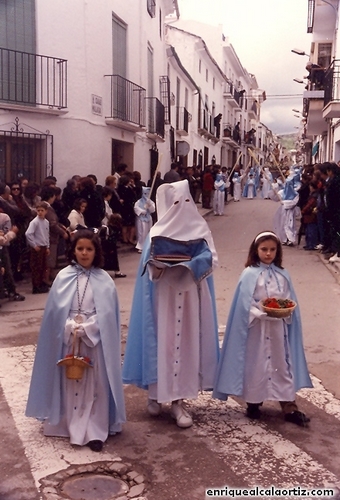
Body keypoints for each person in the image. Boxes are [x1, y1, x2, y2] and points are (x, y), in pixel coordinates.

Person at [122, 180, 219, 428]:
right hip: (162, 299)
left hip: (190, 299)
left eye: (185, 201)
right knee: (162, 344)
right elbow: (148, 269)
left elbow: (212, 260)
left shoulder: (201, 229)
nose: (181, 207)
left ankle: (177, 401)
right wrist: (159, 265)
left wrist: (195, 263)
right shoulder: (156, 232)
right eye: (176, 202)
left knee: (184, 345)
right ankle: (155, 393)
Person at [25, 230, 126, 452]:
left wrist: (89, 328)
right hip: (68, 339)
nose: (84, 253)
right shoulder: (63, 277)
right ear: (73, 250)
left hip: (93, 341)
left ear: (96, 251)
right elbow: (54, 313)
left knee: (94, 385)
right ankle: (69, 423)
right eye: (80, 248)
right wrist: (69, 326)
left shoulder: (105, 280)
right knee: (69, 382)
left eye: (89, 249)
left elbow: (108, 316)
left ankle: (94, 429)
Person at [213, 231, 312, 426]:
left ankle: (289, 405)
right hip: (256, 329)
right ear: (255, 250)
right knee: (256, 364)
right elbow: (243, 303)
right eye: (264, 249)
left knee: (281, 364)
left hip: (277, 329)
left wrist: (284, 310)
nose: (268, 254)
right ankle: (254, 402)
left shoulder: (283, 275)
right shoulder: (249, 274)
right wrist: (258, 312)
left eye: (272, 250)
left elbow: (287, 298)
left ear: (278, 251)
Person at [25, 201, 50, 294]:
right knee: (36, 267)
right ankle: (36, 286)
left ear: (46, 211)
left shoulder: (46, 222)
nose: (40, 212)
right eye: (38, 210)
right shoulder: (34, 222)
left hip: (43, 246)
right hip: (37, 247)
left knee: (43, 266)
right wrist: (34, 245)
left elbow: (47, 234)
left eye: (42, 210)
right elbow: (28, 233)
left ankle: (42, 283)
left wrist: (47, 246)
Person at [134, 186, 155, 253]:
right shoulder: (138, 202)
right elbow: (135, 208)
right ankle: (140, 246)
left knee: (148, 232)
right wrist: (142, 211)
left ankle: (148, 245)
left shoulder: (150, 202)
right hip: (141, 219)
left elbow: (153, 210)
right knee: (141, 233)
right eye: (145, 194)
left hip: (148, 218)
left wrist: (149, 206)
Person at [301, 181, 319, 251]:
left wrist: (303, 210)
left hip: (310, 215)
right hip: (308, 215)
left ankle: (312, 244)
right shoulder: (312, 195)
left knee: (311, 230)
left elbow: (310, 204)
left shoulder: (314, 196)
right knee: (308, 230)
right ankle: (309, 244)